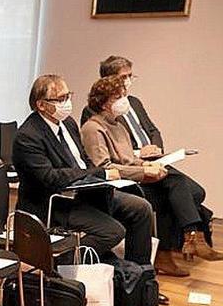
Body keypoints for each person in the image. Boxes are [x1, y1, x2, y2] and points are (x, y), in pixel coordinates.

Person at [81, 76, 221, 275]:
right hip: (117, 184)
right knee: (172, 185)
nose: (123, 100)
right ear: (104, 103)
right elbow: (105, 167)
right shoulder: (92, 128)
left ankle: (180, 245)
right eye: (117, 97)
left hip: (132, 176)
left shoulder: (119, 125)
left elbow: (129, 159)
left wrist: (149, 164)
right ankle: (190, 237)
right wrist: (144, 171)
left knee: (171, 185)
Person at [12, 74, 153, 265]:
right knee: (113, 231)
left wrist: (99, 178)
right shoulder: (28, 136)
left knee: (141, 208)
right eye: (60, 99)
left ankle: (138, 276)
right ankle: (58, 264)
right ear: (41, 105)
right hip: (53, 202)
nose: (67, 103)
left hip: (86, 191)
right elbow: (50, 178)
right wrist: (98, 173)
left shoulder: (68, 124)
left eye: (68, 96)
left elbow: (83, 160)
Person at [80, 56, 163, 150]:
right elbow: (107, 146)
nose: (128, 81)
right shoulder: (93, 110)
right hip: (130, 161)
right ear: (109, 80)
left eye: (130, 76)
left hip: (153, 156)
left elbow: (152, 130)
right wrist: (138, 153)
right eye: (123, 77)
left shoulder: (134, 102)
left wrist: (156, 148)